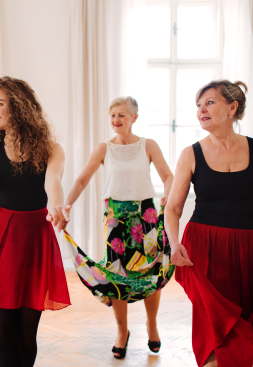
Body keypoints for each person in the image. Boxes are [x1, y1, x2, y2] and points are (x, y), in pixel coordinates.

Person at [165, 80, 253, 367]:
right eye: (198, 105)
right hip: (203, 251)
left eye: (209, 102)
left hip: (248, 250)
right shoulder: (190, 154)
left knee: (243, 327)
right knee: (214, 329)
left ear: (232, 108)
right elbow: (173, 208)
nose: (201, 110)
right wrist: (174, 242)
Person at [0, 77, 71, 367]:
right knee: (5, 334)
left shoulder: (51, 150)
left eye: (0, 104)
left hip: (34, 241)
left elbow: (53, 180)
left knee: (26, 337)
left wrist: (57, 206)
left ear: (19, 108)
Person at [64, 96, 175, 359]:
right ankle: (122, 332)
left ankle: (152, 325)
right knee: (117, 276)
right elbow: (81, 179)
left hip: (146, 216)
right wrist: (66, 206)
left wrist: (168, 196)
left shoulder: (148, 145)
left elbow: (168, 176)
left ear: (134, 118)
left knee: (149, 273)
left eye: (122, 115)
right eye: (112, 114)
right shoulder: (104, 148)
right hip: (114, 218)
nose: (116, 119)